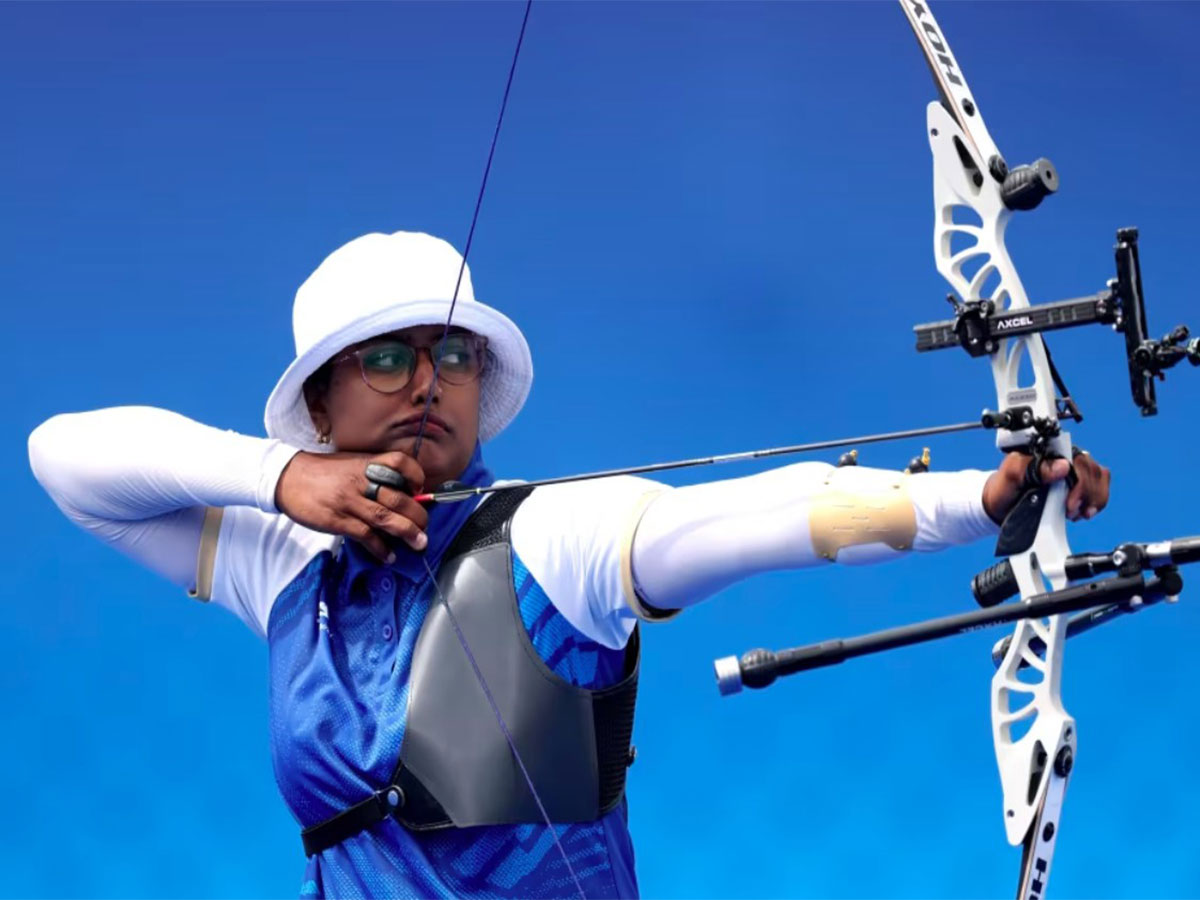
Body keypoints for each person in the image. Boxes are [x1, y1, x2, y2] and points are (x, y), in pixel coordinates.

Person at [27, 230, 1111, 900]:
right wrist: (281, 480)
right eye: (390, 357)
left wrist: (977, 499)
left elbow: (764, 516)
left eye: (454, 354)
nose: (427, 384)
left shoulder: (556, 542)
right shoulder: (287, 570)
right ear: (323, 403)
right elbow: (64, 457)